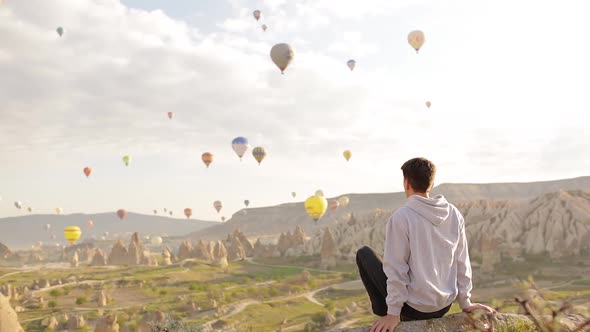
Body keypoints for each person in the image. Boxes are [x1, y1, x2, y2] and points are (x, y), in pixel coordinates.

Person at [356, 157, 496, 332]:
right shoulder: (453, 213)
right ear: (431, 183)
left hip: (415, 309)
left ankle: (384, 312)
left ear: (406, 183)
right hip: (444, 305)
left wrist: (393, 314)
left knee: (365, 254)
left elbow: (396, 268)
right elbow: (462, 261)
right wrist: (465, 301)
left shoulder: (402, 217)